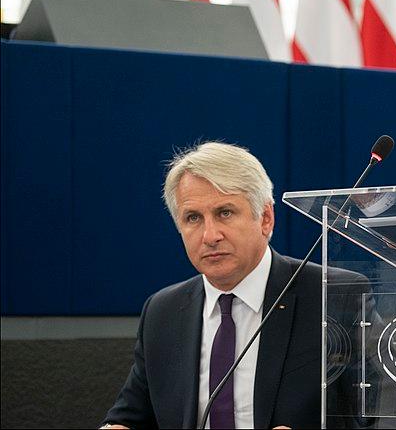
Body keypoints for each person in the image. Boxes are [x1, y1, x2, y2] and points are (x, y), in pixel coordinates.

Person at [101, 142, 367, 429]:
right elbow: (127, 418)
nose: (210, 236)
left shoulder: (333, 296)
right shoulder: (162, 311)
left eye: (225, 213)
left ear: (265, 218)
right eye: (193, 218)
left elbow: (389, 418)